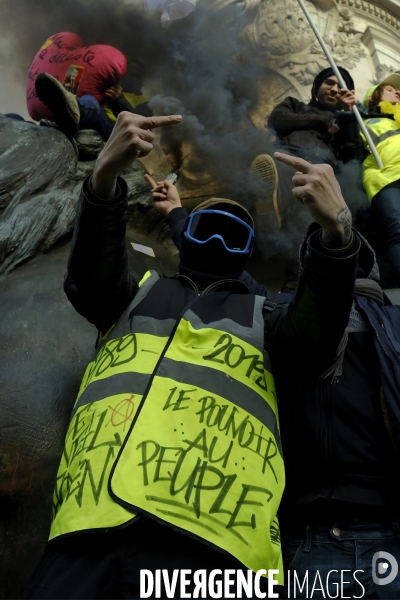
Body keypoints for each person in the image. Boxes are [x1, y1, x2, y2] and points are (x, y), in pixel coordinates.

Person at [23, 111, 361, 599]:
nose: (219, 239)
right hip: (90, 533)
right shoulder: (132, 294)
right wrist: (102, 179)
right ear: (184, 239)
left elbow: (319, 332)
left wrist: (338, 233)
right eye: (207, 227)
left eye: (235, 233)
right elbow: (89, 274)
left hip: (217, 559)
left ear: (245, 256)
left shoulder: (269, 320)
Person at [34, 61, 152, 141]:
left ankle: (72, 109)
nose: (134, 79)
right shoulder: (107, 82)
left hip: (114, 132)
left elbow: (142, 127)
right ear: (123, 73)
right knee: (89, 100)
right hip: (91, 119)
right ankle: (66, 111)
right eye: (131, 74)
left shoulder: (144, 102)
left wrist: (118, 101)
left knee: (93, 104)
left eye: (139, 77)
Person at [362, 72, 400, 286]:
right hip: (385, 178)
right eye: (389, 89)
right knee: (398, 226)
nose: (397, 91)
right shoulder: (363, 120)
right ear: (374, 96)